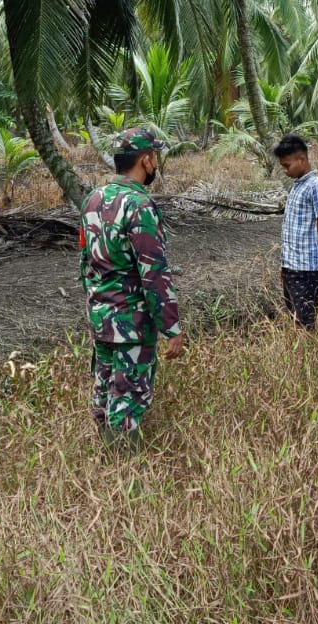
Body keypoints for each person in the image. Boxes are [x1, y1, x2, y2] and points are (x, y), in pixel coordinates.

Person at [79, 127, 184, 449]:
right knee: (127, 401)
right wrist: (172, 326)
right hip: (132, 323)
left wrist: (98, 306)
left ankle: (102, 462)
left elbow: (86, 263)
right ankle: (123, 476)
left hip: (101, 316)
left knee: (104, 392)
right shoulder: (139, 205)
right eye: (155, 157)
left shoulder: (92, 200)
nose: (156, 163)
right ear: (146, 159)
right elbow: (153, 273)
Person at [273, 134, 318, 330]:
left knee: (305, 323)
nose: (286, 170)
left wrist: (310, 248)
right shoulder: (297, 187)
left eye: (287, 165)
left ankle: (309, 356)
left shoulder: (316, 187)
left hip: (307, 269)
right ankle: (301, 358)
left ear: (302, 159)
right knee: (295, 318)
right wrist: (285, 266)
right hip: (292, 267)